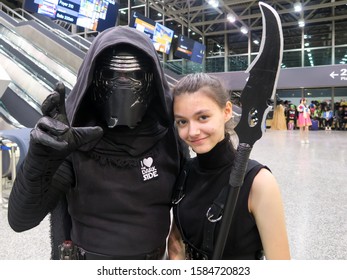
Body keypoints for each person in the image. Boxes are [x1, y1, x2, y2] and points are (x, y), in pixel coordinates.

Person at [8, 26, 187, 260]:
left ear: (151, 78)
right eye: (112, 74)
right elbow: (21, 219)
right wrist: (41, 159)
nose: (123, 84)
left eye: (134, 75)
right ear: (94, 77)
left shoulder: (169, 138)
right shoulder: (74, 139)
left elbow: (192, 205)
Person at [169, 73, 290, 260]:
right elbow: (176, 242)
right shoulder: (185, 172)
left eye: (202, 117)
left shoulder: (258, 182)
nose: (192, 131)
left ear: (226, 112)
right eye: (182, 122)